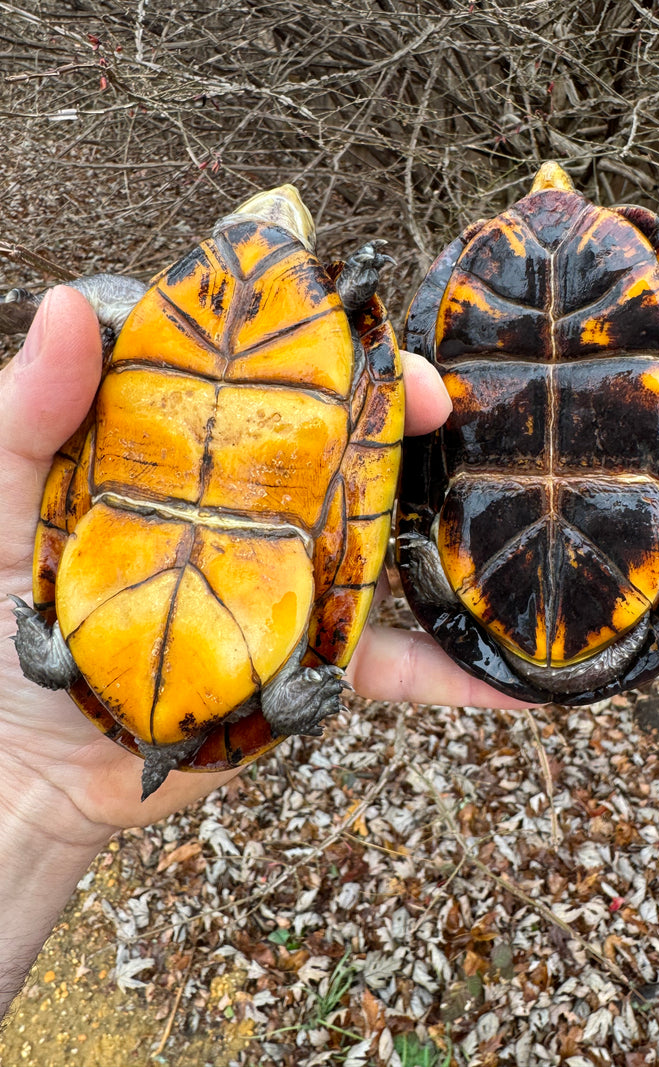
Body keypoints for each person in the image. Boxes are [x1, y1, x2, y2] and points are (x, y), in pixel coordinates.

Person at [0, 286, 525, 1016]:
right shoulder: (328, 317)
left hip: (103, 625)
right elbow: (363, 461)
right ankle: (247, 685)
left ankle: (101, 661)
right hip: (202, 618)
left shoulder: (178, 303)